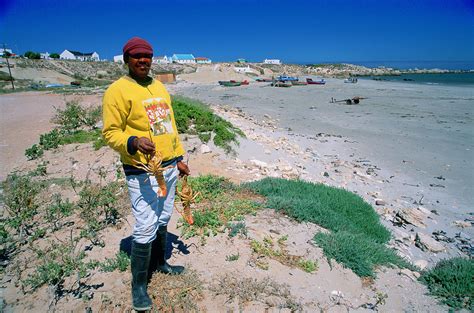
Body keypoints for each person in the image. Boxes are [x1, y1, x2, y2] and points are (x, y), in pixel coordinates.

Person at [102, 37, 190, 311]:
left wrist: (180, 158)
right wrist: (133, 142)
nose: (143, 60)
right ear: (127, 59)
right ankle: (139, 287)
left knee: (163, 217)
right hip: (141, 171)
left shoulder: (158, 86)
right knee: (145, 223)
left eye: (147, 56)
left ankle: (160, 263)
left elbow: (169, 127)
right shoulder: (117, 91)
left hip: (169, 167)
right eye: (137, 56)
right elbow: (110, 132)